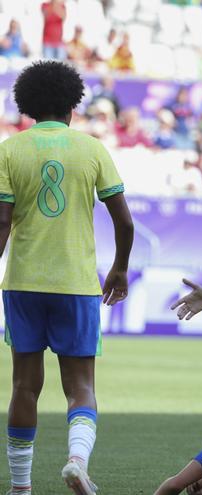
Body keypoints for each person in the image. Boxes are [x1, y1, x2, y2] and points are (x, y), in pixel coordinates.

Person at [1, 60, 134, 495]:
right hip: (76, 284)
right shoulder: (92, 149)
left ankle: (20, 488)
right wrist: (119, 268)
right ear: (73, 105)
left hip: (22, 282)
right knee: (80, 387)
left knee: (24, 385)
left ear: (27, 107)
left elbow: (2, 225)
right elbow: (125, 223)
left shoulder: (9, 150)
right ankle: (77, 461)